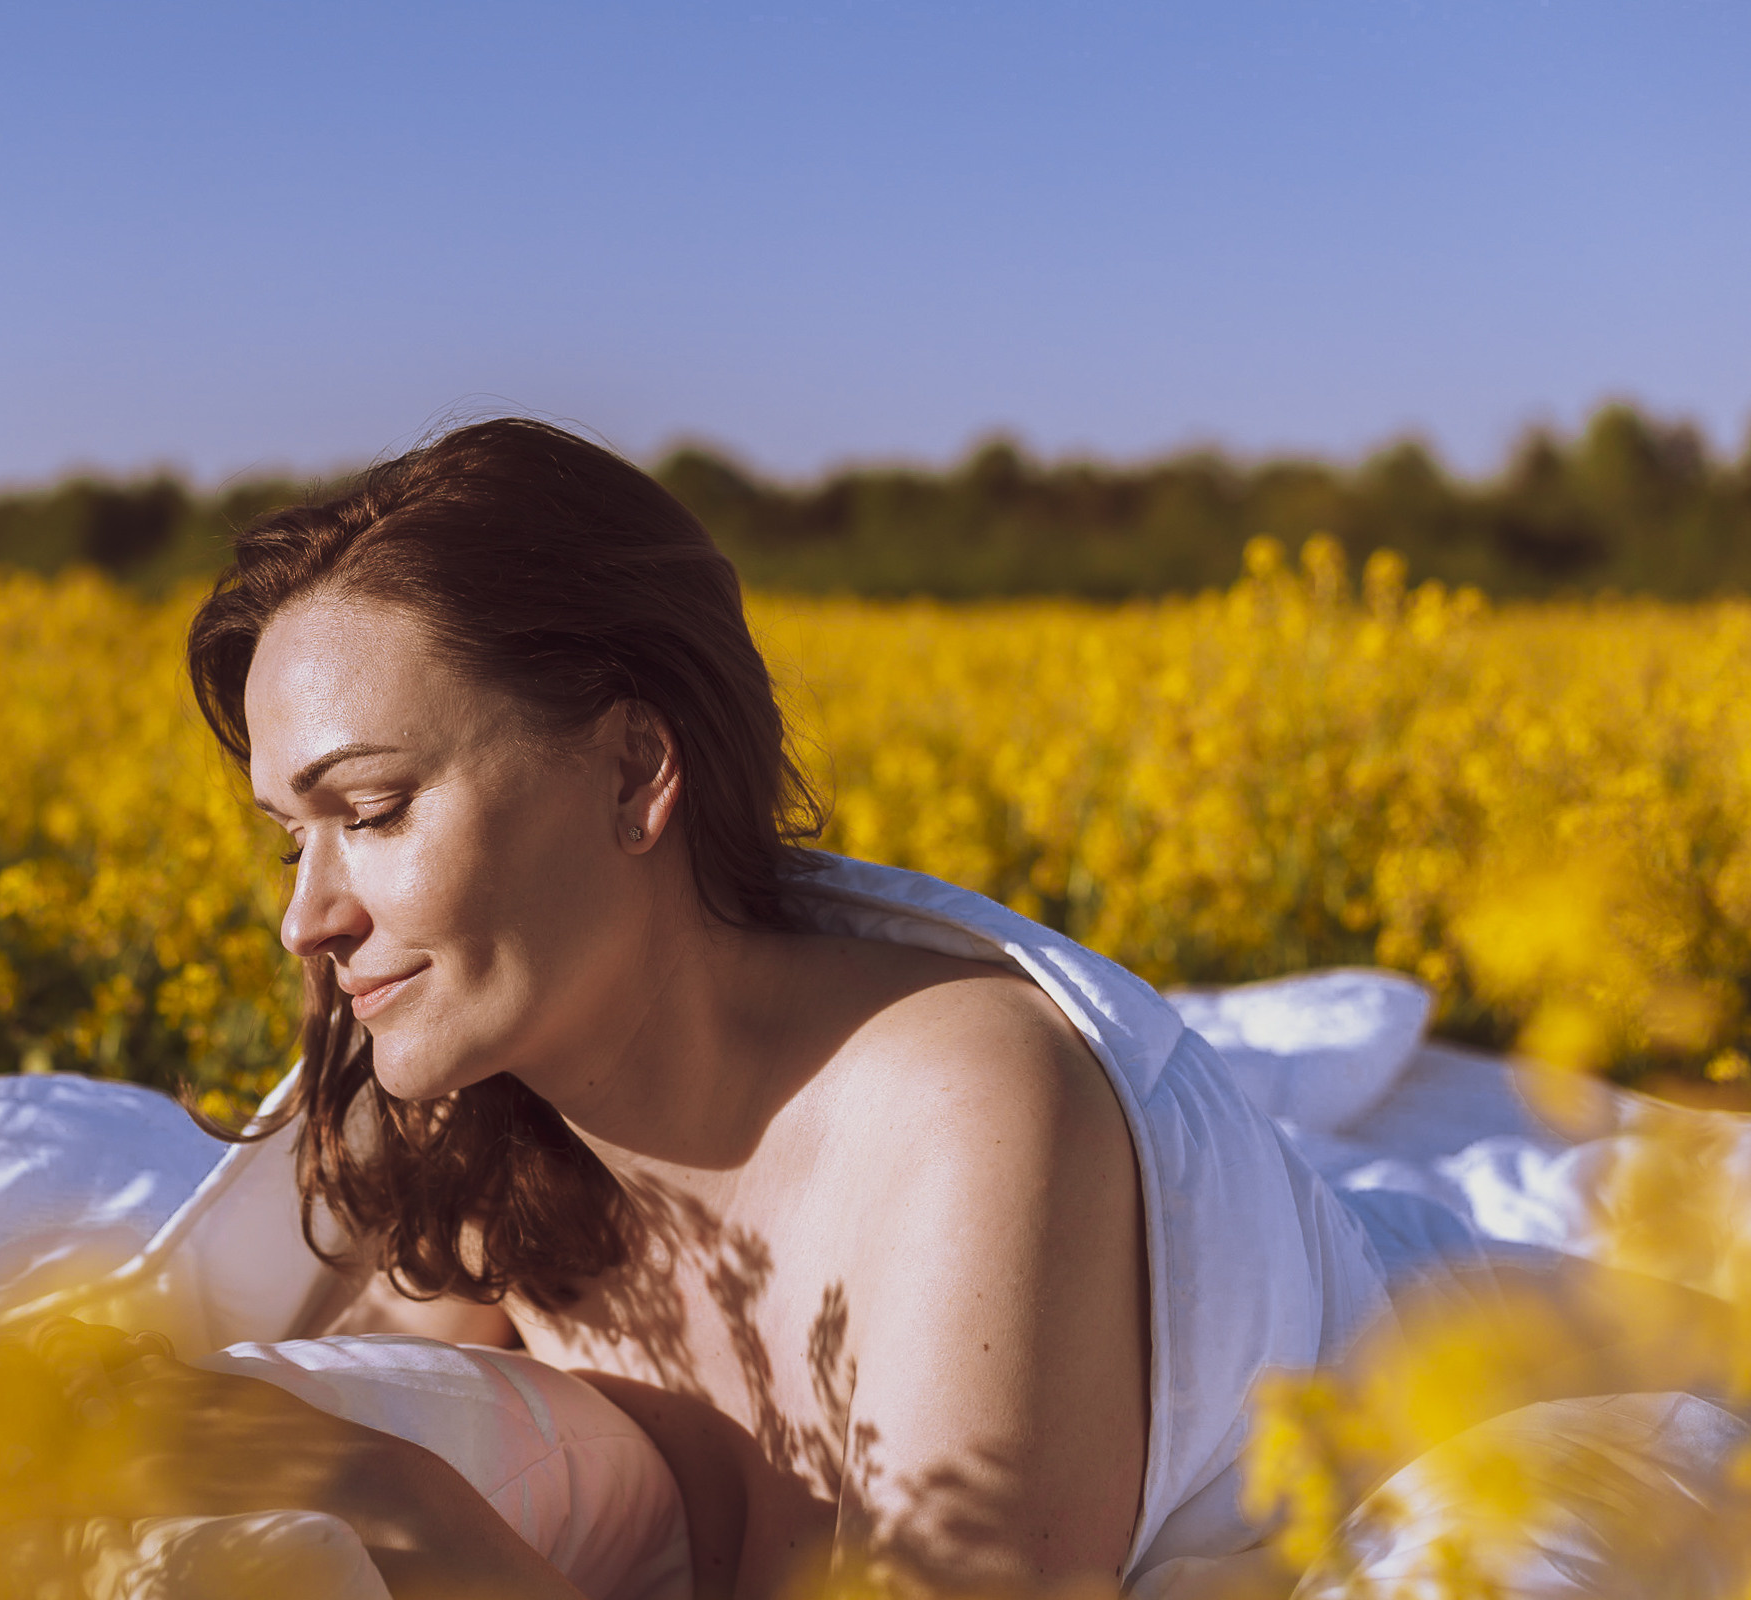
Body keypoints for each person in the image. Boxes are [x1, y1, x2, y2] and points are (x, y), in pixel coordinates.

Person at [157, 418, 1390, 1598]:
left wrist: (397, 1503)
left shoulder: (968, 1114)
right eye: (291, 842)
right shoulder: (488, 1126)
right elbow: (337, 1389)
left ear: (636, 770)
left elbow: (372, 1476)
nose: (304, 920)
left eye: (370, 813)